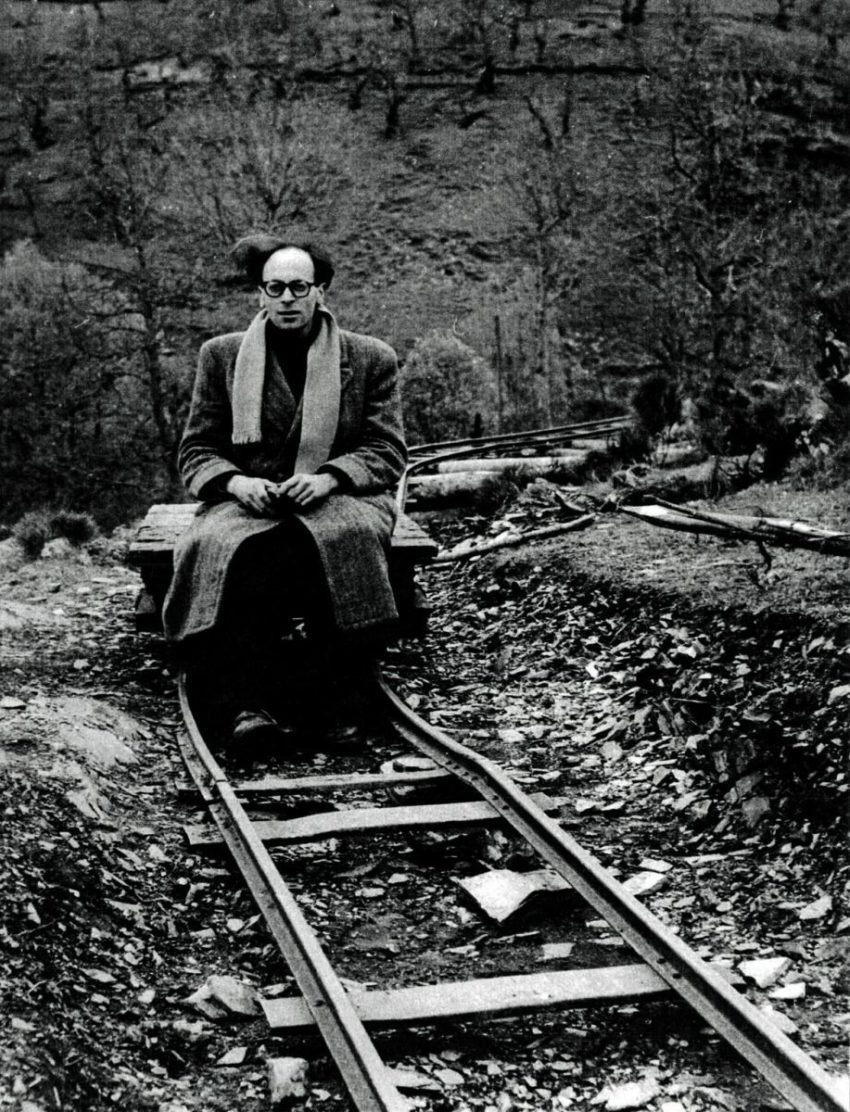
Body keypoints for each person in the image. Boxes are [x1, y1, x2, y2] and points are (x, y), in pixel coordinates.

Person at [162, 234, 407, 756]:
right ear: (261, 294)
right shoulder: (222, 356)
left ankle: (336, 702)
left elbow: (386, 450)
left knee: (341, 542)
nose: (288, 299)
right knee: (228, 550)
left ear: (322, 290)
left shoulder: (369, 359)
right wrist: (236, 482)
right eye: (276, 288)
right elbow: (198, 448)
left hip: (343, 495)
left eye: (299, 286)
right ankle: (243, 705)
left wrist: (330, 477)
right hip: (249, 499)